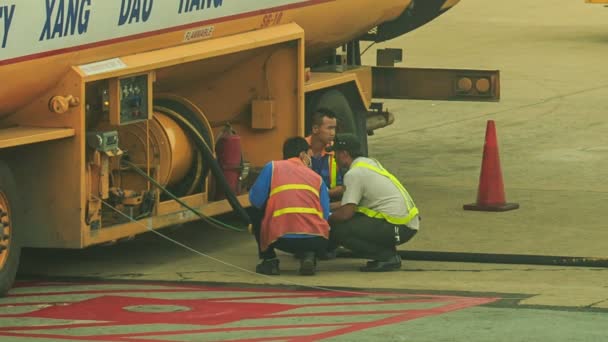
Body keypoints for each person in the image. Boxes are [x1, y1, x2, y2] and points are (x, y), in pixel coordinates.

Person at [328, 134, 420, 272]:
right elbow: (348, 198)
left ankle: (387, 257)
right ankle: (385, 251)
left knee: (339, 229)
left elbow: (346, 213)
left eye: (336, 153)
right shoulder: (369, 163)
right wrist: (325, 202)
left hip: (398, 228)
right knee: (356, 221)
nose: (334, 157)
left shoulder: (354, 174)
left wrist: (324, 217)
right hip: (406, 225)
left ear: (344, 154)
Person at [248, 136, 331, 276]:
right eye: (309, 155)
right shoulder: (317, 178)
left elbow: (255, 201)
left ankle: (269, 261)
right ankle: (309, 255)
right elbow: (325, 214)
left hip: (281, 239)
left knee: (255, 212)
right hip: (317, 240)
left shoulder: (273, 167)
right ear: (302, 155)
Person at [306, 108, 345, 200]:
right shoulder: (300, 150)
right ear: (315, 129)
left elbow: (342, 187)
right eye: (329, 128)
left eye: (334, 128)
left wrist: (323, 193)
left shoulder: (335, 152)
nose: (333, 133)